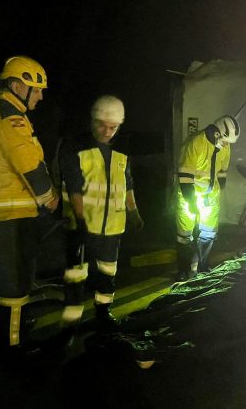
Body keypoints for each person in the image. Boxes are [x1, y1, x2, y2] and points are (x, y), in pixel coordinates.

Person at [0, 55, 59, 360]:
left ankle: (15, 333)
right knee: (13, 284)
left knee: (17, 280)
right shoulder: (8, 116)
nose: (40, 96)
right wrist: (49, 198)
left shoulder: (6, 112)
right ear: (16, 86)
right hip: (9, 214)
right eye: (35, 89)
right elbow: (28, 163)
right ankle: (12, 349)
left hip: (10, 212)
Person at [59, 95, 144, 330]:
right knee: (76, 275)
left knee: (108, 271)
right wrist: (80, 220)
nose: (107, 132)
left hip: (113, 227)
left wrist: (133, 212)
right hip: (82, 226)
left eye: (113, 127)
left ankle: (103, 312)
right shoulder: (75, 146)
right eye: (102, 126)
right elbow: (73, 185)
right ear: (92, 121)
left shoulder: (122, 150)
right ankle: (71, 320)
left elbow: (127, 182)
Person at [175, 115, 240, 281]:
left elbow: (222, 172)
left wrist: (220, 190)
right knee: (185, 235)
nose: (227, 145)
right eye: (226, 141)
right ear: (217, 134)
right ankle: (183, 270)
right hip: (190, 195)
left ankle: (202, 267)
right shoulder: (195, 143)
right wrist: (191, 201)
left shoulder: (225, 147)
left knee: (209, 233)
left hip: (210, 198)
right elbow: (185, 176)